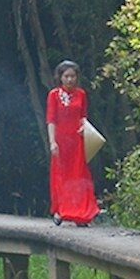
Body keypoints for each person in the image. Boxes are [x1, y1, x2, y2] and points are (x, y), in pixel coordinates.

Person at [45, 59, 99, 226]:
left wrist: (84, 127)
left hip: (77, 141)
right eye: (66, 76)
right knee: (61, 176)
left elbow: (83, 115)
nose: (70, 79)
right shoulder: (54, 95)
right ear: (60, 77)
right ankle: (61, 210)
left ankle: (82, 214)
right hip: (61, 142)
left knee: (79, 175)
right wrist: (52, 142)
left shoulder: (81, 94)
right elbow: (51, 120)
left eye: (73, 76)